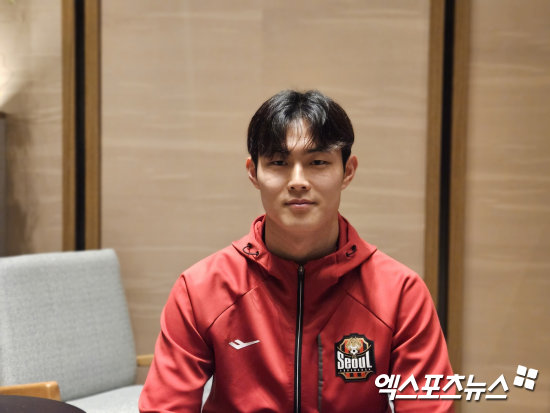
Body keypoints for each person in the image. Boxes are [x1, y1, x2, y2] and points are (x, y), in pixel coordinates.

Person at [139, 90, 454, 412]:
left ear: (347, 171)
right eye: (279, 163)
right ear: (253, 172)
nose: (298, 181)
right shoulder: (201, 289)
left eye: (317, 162)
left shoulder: (400, 292)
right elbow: (166, 407)